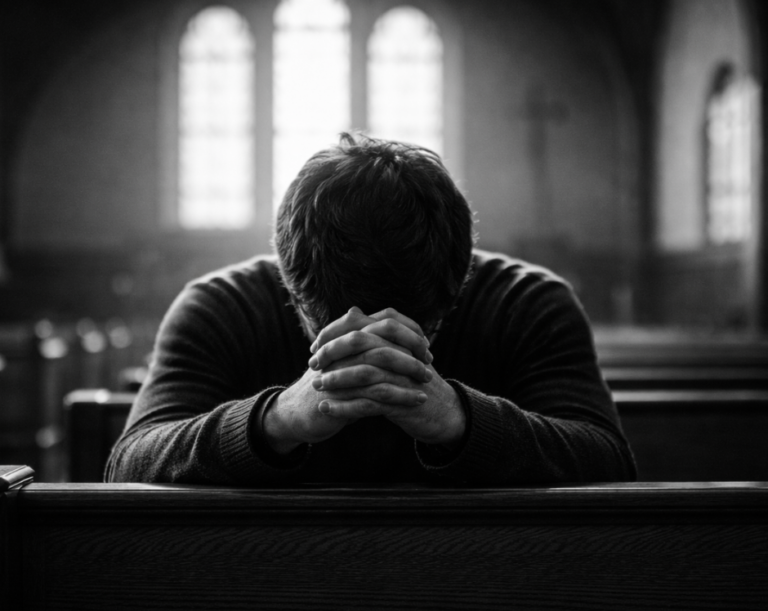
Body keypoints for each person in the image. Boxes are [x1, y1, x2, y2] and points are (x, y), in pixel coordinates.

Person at [105, 133, 636, 485]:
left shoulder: (529, 301)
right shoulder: (219, 305)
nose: (371, 343)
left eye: (418, 327)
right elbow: (128, 466)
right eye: (330, 327)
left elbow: (609, 463)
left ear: (460, 279)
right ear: (287, 281)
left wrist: (459, 418)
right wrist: (273, 421)